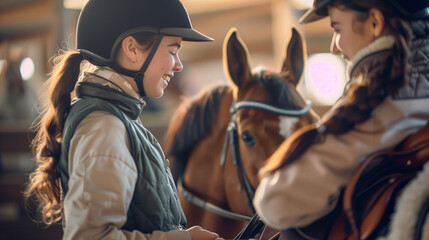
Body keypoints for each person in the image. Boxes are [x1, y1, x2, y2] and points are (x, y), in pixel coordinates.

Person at [23, 0, 222, 239]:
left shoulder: (121, 119)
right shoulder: (104, 128)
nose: (178, 65)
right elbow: (90, 236)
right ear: (132, 49)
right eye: (172, 51)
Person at [253, 0, 429, 236]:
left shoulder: (380, 110)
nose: (334, 46)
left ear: (375, 23)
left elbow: (274, 202)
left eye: (337, 29)